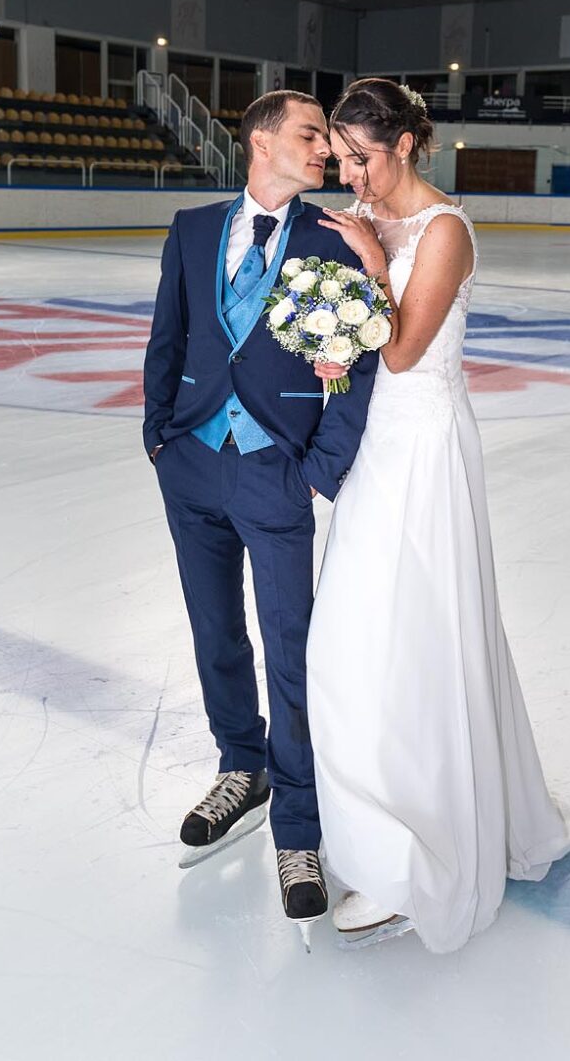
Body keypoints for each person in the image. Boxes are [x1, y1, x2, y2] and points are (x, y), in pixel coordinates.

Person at [307, 77, 570, 954]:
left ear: (403, 146)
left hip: (422, 454)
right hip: (371, 456)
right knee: (351, 640)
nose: (348, 174)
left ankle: (414, 856)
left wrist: (363, 264)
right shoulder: (377, 220)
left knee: (413, 638)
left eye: (359, 158)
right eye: (340, 159)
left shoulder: (444, 231)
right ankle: (379, 820)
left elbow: (399, 348)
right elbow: (353, 346)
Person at [143, 90, 378, 947]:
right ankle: (240, 766)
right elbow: (166, 340)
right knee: (215, 635)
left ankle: (301, 831)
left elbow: (355, 364)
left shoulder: (335, 240)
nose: (325, 147)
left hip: (278, 473)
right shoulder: (192, 228)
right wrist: (159, 439)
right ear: (261, 140)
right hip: (192, 466)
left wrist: (319, 468)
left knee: (291, 647)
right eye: (311, 133)